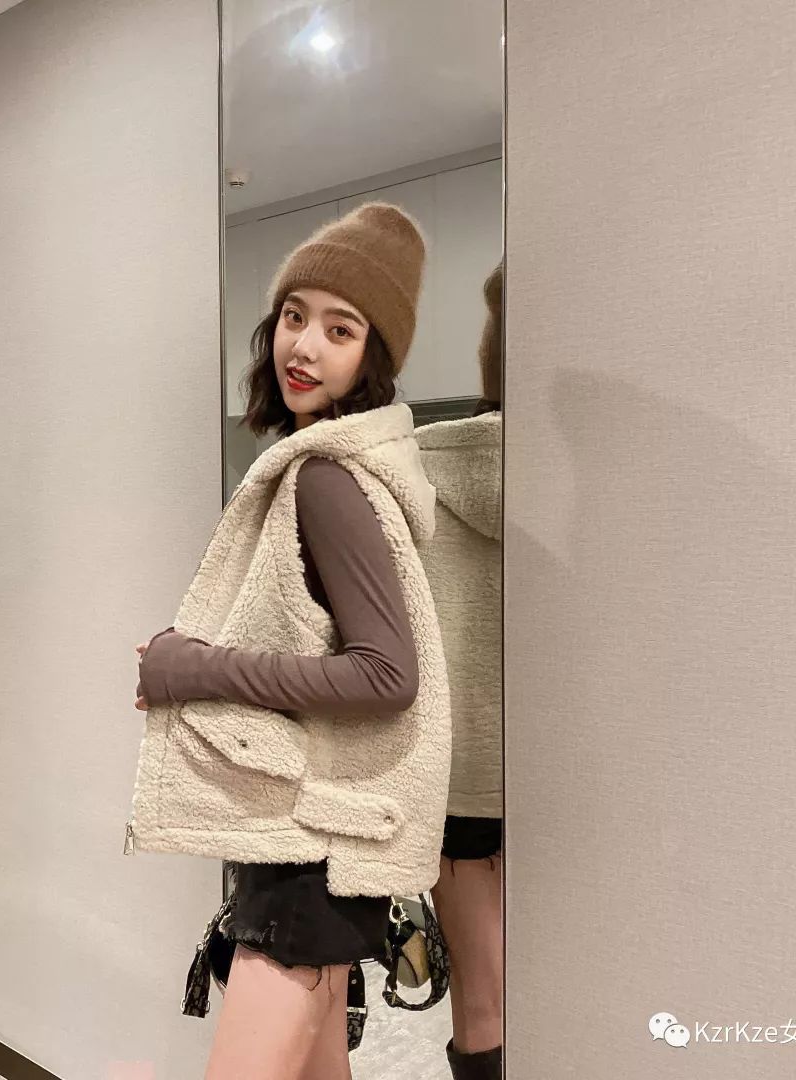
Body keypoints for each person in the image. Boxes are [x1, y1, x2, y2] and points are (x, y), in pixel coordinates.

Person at [126, 203, 452, 1080]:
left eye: (340, 330)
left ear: (372, 357)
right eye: (294, 316)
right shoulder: (340, 468)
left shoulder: (326, 480)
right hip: (320, 837)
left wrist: (195, 668)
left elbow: (386, 675)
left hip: (310, 851)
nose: (302, 347)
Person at [416, 260, 505, 1080]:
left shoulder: (421, 471)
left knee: (483, 1000)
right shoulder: (620, 484)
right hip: (582, 782)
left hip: (460, 782)